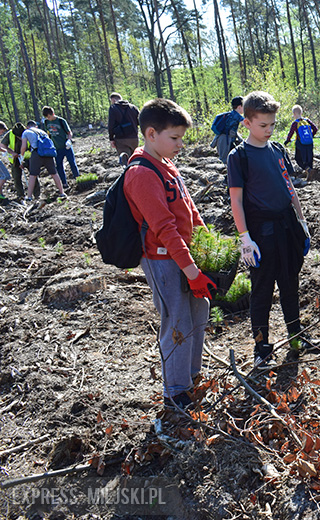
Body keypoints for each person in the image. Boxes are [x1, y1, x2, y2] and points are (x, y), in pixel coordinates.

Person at [124, 98, 215, 409]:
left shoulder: (167, 164)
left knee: (198, 315)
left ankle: (191, 376)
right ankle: (176, 392)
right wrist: (191, 271)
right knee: (176, 322)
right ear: (151, 134)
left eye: (181, 138)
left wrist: (206, 247)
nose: (180, 144)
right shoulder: (141, 174)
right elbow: (163, 227)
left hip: (186, 258)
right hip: (163, 260)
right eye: (174, 138)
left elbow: (189, 210)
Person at [227, 91, 316, 368]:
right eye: (263, 125)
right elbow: (236, 200)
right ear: (247, 123)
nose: (268, 130)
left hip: (286, 226)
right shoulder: (239, 157)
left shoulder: (277, 150)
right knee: (262, 289)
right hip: (260, 232)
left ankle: (296, 336)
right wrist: (245, 238)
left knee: (290, 283)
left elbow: (289, 187)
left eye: (272, 125)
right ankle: (262, 347)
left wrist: (301, 221)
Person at [19, 121, 66, 201]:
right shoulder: (43, 132)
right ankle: (62, 192)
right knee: (54, 173)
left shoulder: (26, 132)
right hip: (48, 154)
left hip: (37, 153)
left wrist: (22, 156)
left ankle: (29, 196)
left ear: (27, 127)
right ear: (36, 126)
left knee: (33, 175)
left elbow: (24, 146)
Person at [42, 106, 80, 190]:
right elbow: (48, 134)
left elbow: (69, 132)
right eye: (46, 117)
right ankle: (64, 183)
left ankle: (78, 179)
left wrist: (69, 140)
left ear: (52, 114)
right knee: (59, 166)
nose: (48, 118)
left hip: (66, 147)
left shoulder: (61, 121)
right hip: (56, 148)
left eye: (49, 116)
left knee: (72, 163)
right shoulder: (46, 122)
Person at [0, 122, 38, 199]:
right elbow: (2, 145)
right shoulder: (10, 134)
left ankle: (37, 195)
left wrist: (23, 158)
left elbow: (34, 147)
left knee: (33, 176)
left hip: (28, 158)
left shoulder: (28, 133)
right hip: (15, 159)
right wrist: (11, 152)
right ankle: (20, 195)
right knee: (16, 178)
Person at [283, 104, 319, 180]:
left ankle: (307, 170)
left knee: (298, 159)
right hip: (310, 143)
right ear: (301, 113)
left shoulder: (295, 123)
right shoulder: (307, 121)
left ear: (294, 114)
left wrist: (287, 141)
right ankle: (310, 173)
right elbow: (315, 129)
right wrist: (311, 136)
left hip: (300, 144)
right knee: (310, 159)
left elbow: (291, 133)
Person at [108, 93, 140, 165]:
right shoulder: (133, 107)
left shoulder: (113, 108)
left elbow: (111, 124)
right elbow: (140, 121)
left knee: (125, 161)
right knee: (135, 159)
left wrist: (111, 138)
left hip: (121, 139)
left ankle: (128, 175)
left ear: (113, 100)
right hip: (134, 138)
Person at [212, 96, 245, 164]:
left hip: (223, 139)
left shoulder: (231, 114)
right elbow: (247, 124)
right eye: (244, 106)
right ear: (239, 107)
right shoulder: (236, 115)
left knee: (230, 159)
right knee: (228, 160)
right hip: (226, 140)